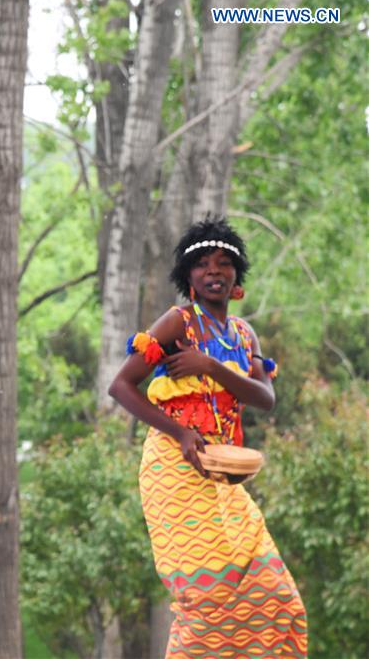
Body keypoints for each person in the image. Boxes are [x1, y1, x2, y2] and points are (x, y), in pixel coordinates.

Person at [109, 220, 307, 657]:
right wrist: (179, 431)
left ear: (237, 276)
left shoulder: (243, 336)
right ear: (188, 277)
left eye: (224, 263)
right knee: (206, 598)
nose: (214, 271)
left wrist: (210, 366)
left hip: (222, 469)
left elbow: (265, 398)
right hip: (172, 465)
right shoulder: (176, 322)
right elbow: (121, 386)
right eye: (202, 264)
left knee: (274, 595)